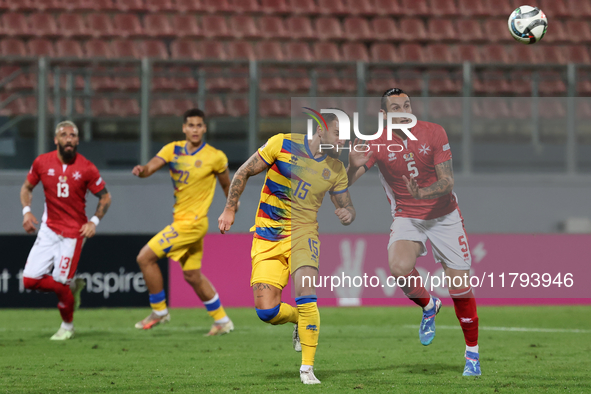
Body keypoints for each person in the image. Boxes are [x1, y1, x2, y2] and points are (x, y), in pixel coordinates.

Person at [347, 89, 481, 376]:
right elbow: (347, 183)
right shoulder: (374, 142)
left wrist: (422, 192)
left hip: (444, 216)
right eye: (396, 107)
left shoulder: (434, 132)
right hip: (407, 216)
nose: (404, 110)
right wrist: (350, 166)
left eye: (407, 105)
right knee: (398, 266)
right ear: (384, 115)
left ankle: (472, 354)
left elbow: (447, 181)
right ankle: (429, 305)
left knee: (460, 288)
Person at [218, 112, 356, 384]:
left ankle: (307, 368)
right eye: (338, 133)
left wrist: (348, 213)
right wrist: (229, 208)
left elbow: (345, 205)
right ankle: (297, 320)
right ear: (320, 130)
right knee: (267, 312)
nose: (344, 139)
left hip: (304, 235)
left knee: (307, 294)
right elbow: (244, 171)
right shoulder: (281, 145)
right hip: (268, 235)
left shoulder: (336, 169)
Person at [132, 108, 234, 336]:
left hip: (193, 223)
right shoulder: (172, 150)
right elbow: (151, 167)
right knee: (192, 275)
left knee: (144, 258)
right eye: (191, 125)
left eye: (199, 125)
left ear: (204, 128)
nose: (195, 129)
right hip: (182, 220)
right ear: (184, 128)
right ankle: (222, 320)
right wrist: (142, 171)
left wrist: (231, 208)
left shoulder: (215, 156)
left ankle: (159, 311)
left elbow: (228, 185)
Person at [21, 121, 111, 340]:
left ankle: (67, 326)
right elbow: (27, 187)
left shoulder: (87, 167)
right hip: (49, 229)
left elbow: (105, 196)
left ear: (78, 140)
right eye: (64, 135)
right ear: (56, 139)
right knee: (29, 281)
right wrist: (26, 212)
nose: (68, 139)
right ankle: (70, 287)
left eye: (73, 135)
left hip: (73, 234)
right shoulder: (42, 162)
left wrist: (94, 222)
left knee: (60, 284)